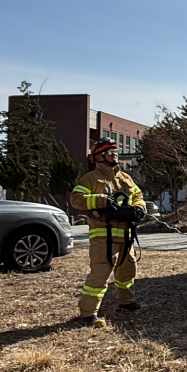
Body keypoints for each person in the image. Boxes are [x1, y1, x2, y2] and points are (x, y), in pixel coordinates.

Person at [70, 137, 147, 327]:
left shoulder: (125, 178)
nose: (115, 154)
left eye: (115, 151)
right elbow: (76, 199)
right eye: (110, 151)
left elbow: (138, 196)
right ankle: (88, 313)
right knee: (101, 273)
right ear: (99, 156)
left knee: (128, 271)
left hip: (126, 235)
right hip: (103, 236)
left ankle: (127, 302)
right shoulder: (91, 178)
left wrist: (139, 208)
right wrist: (101, 200)